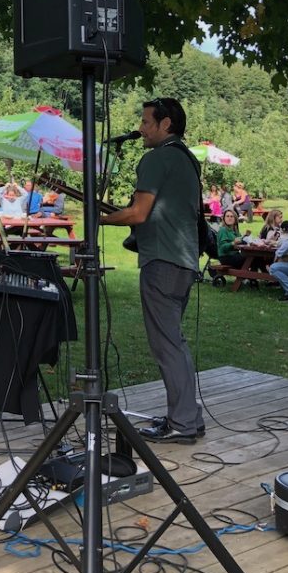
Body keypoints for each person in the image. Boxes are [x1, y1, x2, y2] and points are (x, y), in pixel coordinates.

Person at [100, 97, 203, 444]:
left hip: (162, 262)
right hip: (184, 261)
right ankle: (188, 417)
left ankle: (183, 424)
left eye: (146, 122)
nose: (140, 128)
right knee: (175, 342)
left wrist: (98, 219)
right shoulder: (186, 159)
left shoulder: (157, 158)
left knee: (167, 345)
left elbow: (138, 213)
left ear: (166, 124)